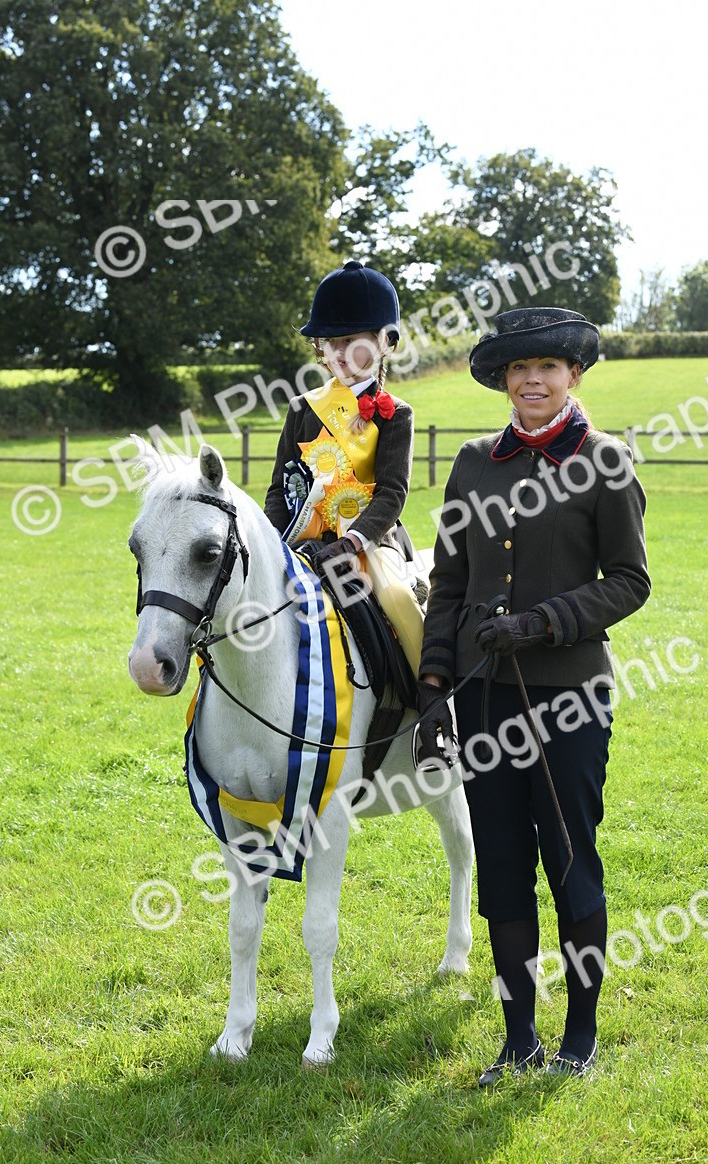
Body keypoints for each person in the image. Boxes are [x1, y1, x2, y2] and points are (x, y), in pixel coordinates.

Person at [417, 307, 651, 1085]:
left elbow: (631, 581)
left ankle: (579, 1036)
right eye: (519, 369)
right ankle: (518, 1040)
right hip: (485, 698)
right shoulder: (472, 463)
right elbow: (449, 584)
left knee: (570, 861)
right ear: (504, 380)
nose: (532, 381)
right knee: (503, 865)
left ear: (573, 375)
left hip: (569, 698)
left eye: (547, 367)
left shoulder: (607, 462)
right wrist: (434, 687)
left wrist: (544, 621)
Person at [264, 260, 424, 676]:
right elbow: (279, 488)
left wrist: (353, 541)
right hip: (300, 540)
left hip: (369, 542)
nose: (337, 353)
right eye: (330, 342)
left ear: (384, 342)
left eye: (350, 340)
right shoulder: (302, 408)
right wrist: (272, 542)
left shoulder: (396, 414)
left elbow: (393, 492)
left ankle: (430, 695)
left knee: (400, 602)